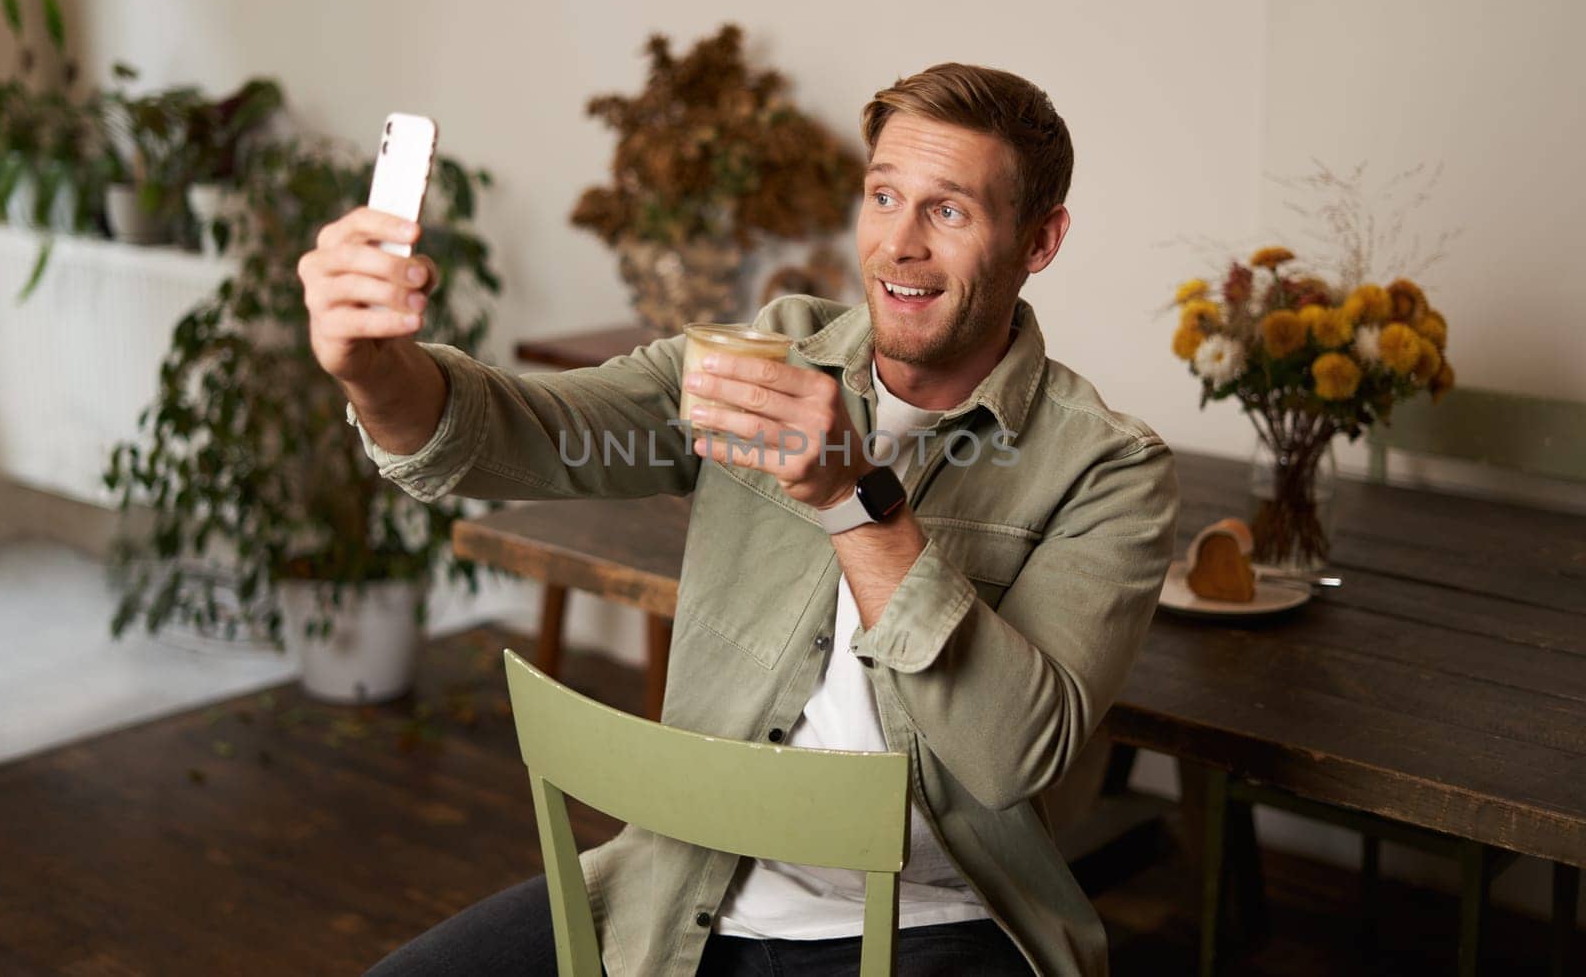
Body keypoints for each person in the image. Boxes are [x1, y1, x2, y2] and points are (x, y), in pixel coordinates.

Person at [300, 63, 1179, 977]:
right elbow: (523, 433)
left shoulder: (1108, 467)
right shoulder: (769, 357)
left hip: (938, 918)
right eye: (884, 196)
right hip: (680, 882)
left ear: (1040, 240)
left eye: (948, 211)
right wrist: (374, 369)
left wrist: (853, 497)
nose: (898, 246)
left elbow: (1014, 755)